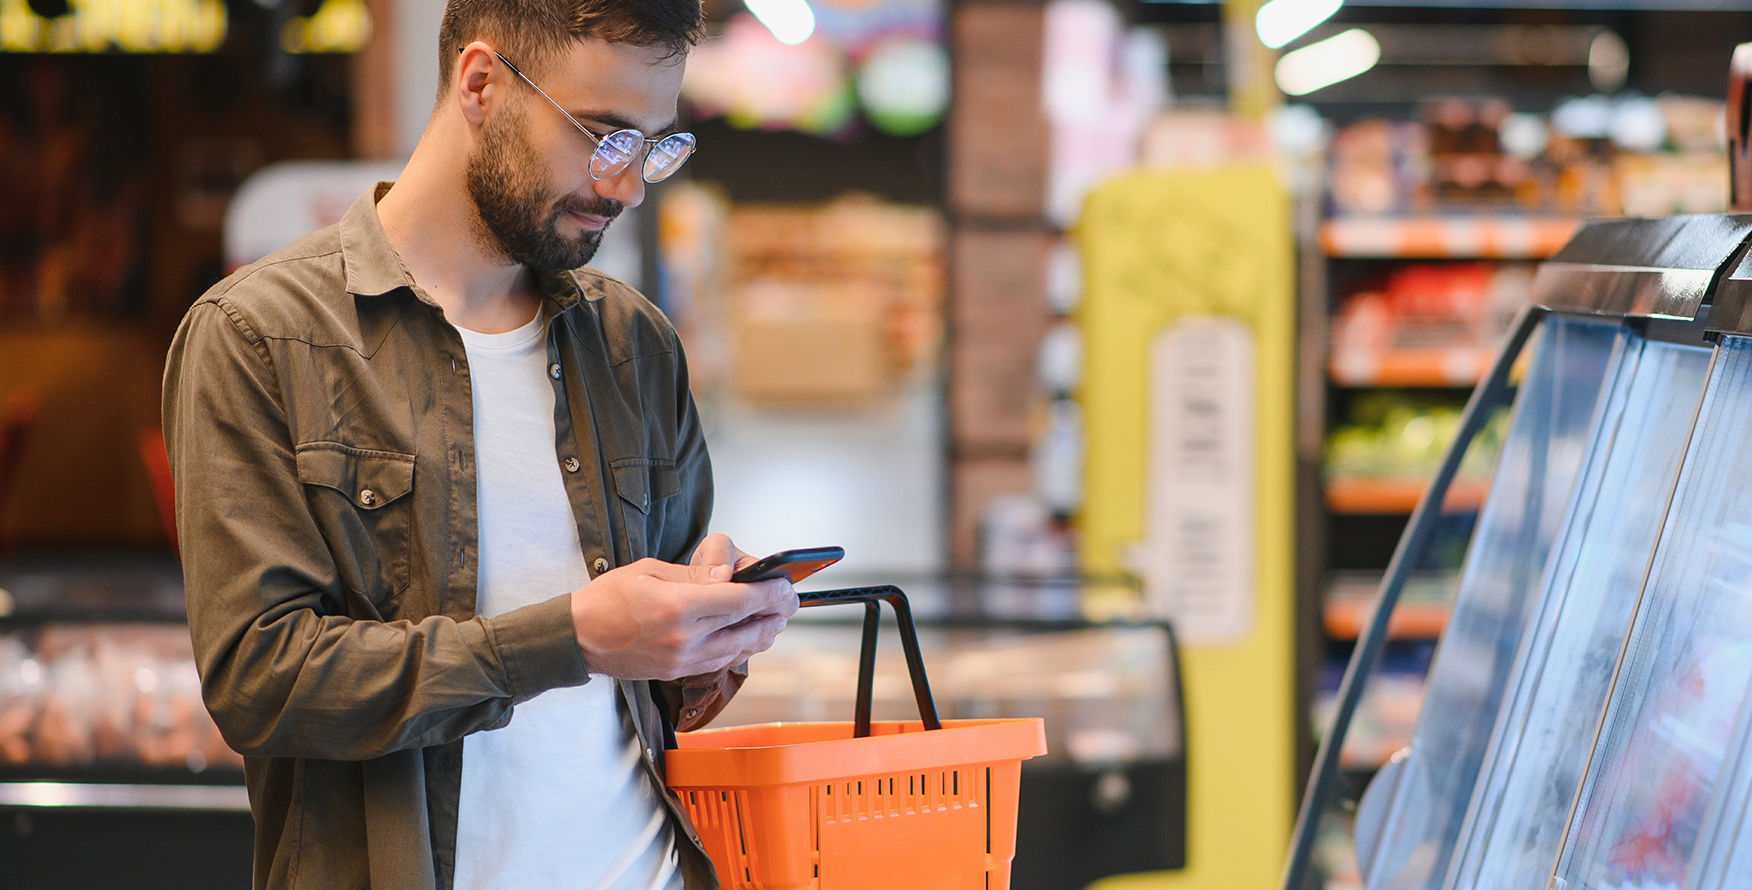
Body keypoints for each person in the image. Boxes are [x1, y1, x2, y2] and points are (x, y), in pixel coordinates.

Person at [159, 0, 798, 887]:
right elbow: (262, 684)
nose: (628, 186)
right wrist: (571, 636)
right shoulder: (260, 337)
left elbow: (651, 698)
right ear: (482, 83)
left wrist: (708, 630)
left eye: (654, 147)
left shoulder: (634, 344)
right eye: (604, 136)